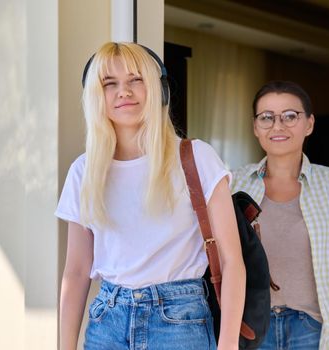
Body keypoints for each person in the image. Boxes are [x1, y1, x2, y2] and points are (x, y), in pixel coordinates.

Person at [56, 42, 245, 350]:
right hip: (108, 322)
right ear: (96, 96)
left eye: (136, 79)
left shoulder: (197, 157)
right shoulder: (83, 171)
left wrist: (228, 344)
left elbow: (233, 261)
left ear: (159, 90)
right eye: (110, 84)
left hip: (180, 322)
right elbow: (76, 272)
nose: (124, 92)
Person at [231, 80, 329, 350]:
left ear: (309, 124)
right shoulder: (233, 184)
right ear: (256, 127)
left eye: (290, 116)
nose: (278, 126)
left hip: (314, 329)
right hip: (250, 328)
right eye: (267, 117)